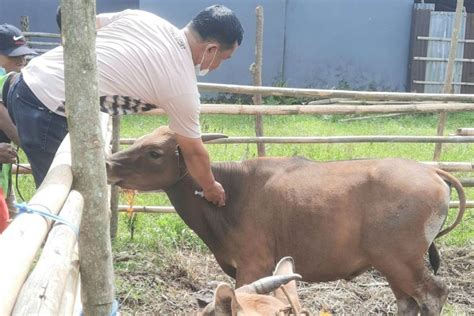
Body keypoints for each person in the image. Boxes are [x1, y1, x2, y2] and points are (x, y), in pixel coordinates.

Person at [7, 5, 243, 207]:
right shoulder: (181, 86)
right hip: (45, 105)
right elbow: (193, 151)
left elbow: (76, 22)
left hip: (29, 83)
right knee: (63, 198)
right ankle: (59, 256)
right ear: (211, 50)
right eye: (224, 58)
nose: (219, 65)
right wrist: (211, 187)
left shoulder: (145, 19)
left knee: (76, 189)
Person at [0, 23, 37, 232]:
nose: (21, 62)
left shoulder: (12, 87)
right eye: (13, 56)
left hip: (3, 178)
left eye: (23, 56)